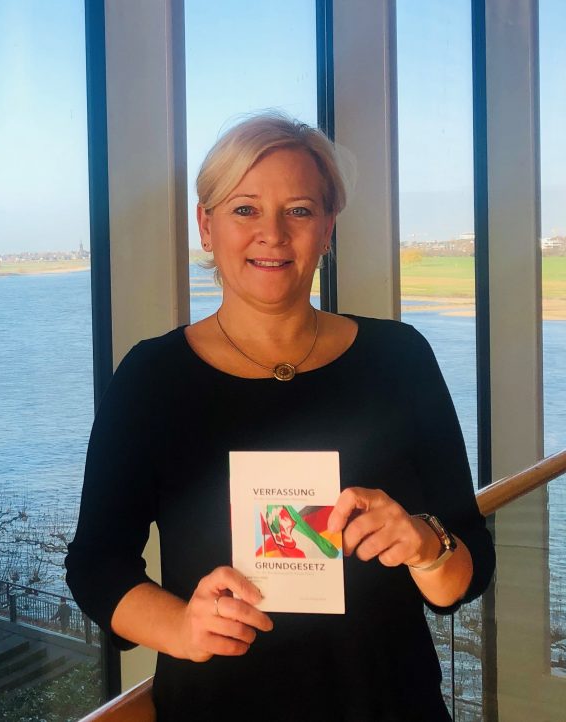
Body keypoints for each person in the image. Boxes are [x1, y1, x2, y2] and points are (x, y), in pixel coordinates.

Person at [65, 112, 495, 720]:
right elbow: (96, 565)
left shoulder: (400, 358)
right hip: (218, 709)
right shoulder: (151, 378)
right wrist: (182, 626)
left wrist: (425, 544)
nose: (272, 233)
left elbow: (466, 570)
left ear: (327, 229)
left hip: (391, 704)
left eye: (298, 210)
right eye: (244, 209)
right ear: (206, 226)